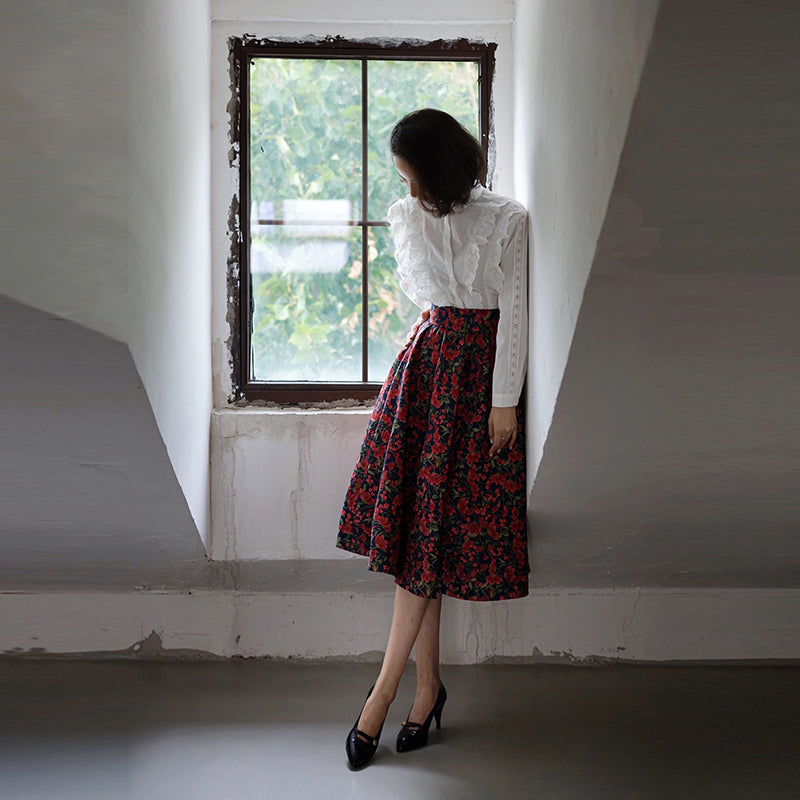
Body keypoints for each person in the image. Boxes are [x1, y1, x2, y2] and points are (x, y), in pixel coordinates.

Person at [336, 108, 529, 770]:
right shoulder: (409, 214)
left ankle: (384, 698)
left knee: (433, 539)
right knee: (423, 537)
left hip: (477, 386)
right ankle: (421, 689)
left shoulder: (508, 219)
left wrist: (504, 403)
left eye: (413, 174)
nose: (408, 188)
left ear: (439, 164)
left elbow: (517, 316)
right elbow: (424, 298)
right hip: (425, 373)